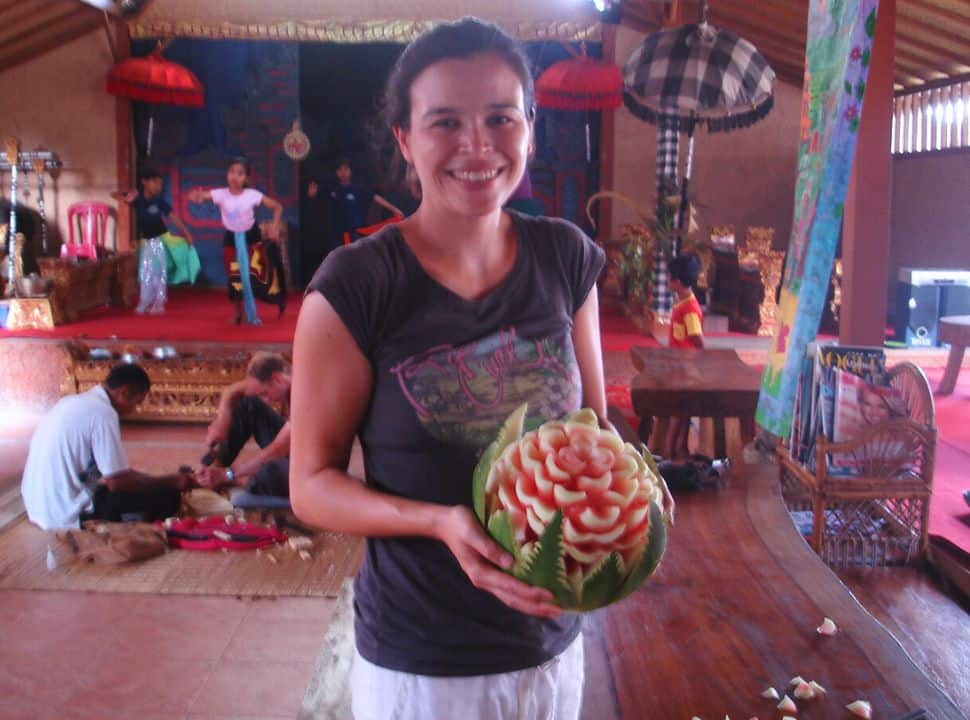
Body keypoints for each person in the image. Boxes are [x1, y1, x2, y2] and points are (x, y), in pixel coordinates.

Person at [289, 19, 673, 720]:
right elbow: (310, 487)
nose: (477, 145)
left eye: (501, 117)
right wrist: (439, 522)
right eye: (445, 123)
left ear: (530, 126)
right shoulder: (357, 285)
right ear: (405, 140)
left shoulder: (565, 257)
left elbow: (595, 428)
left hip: (554, 647)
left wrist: (634, 491)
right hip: (424, 664)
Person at [21, 363, 195, 530]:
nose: (135, 409)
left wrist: (165, 480)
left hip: (38, 507)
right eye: (137, 402)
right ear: (124, 392)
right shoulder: (103, 413)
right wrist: (169, 483)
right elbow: (117, 483)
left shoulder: (72, 402)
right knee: (167, 498)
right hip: (66, 513)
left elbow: (118, 473)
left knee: (152, 488)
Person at [188, 158, 286, 325]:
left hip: (251, 239)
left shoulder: (253, 195)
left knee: (253, 276)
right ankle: (238, 313)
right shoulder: (220, 194)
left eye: (240, 173)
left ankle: (252, 311)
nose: (234, 176)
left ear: (246, 179)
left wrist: (274, 228)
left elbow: (277, 207)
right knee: (234, 278)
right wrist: (195, 197)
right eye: (232, 172)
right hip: (231, 239)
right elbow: (201, 196)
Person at [196, 352, 292, 498]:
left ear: (277, 379)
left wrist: (228, 475)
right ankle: (213, 472)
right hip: (290, 447)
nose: (265, 401)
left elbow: (276, 451)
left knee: (268, 473)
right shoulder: (279, 379)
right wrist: (222, 421)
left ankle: (230, 480)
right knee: (248, 404)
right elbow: (231, 391)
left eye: (265, 393)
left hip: (313, 463)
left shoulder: (303, 394)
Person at [112, 167, 202, 314]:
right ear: (144, 182)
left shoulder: (159, 202)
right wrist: (127, 193)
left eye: (160, 184)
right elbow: (114, 195)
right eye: (154, 182)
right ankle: (145, 301)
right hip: (146, 242)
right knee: (145, 272)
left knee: (159, 272)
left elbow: (173, 217)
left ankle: (159, 302)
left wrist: (186, 233)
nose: (158, 186)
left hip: (160, 241)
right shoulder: (138, 200)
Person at [664, 252, 705, 460]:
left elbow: (696, 335)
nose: (667, 281)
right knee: (680, 409)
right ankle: (677, 447)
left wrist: (703, 353)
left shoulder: (689, 308)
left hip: (685, 365)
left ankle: (670, 449)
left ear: (677, 282)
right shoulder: (683, 303)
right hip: (679, 362)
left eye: (669, 277)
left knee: (678, 411)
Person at [329, 158, 404, 247]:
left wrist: (394, 209)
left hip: (356, 234)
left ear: (350, 171)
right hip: (338, 237)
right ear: (336, 173)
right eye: (340, 170)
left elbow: (375, 197)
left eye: (346, 169)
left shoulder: (356, 189)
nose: (343, 172)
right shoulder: (332, 190)